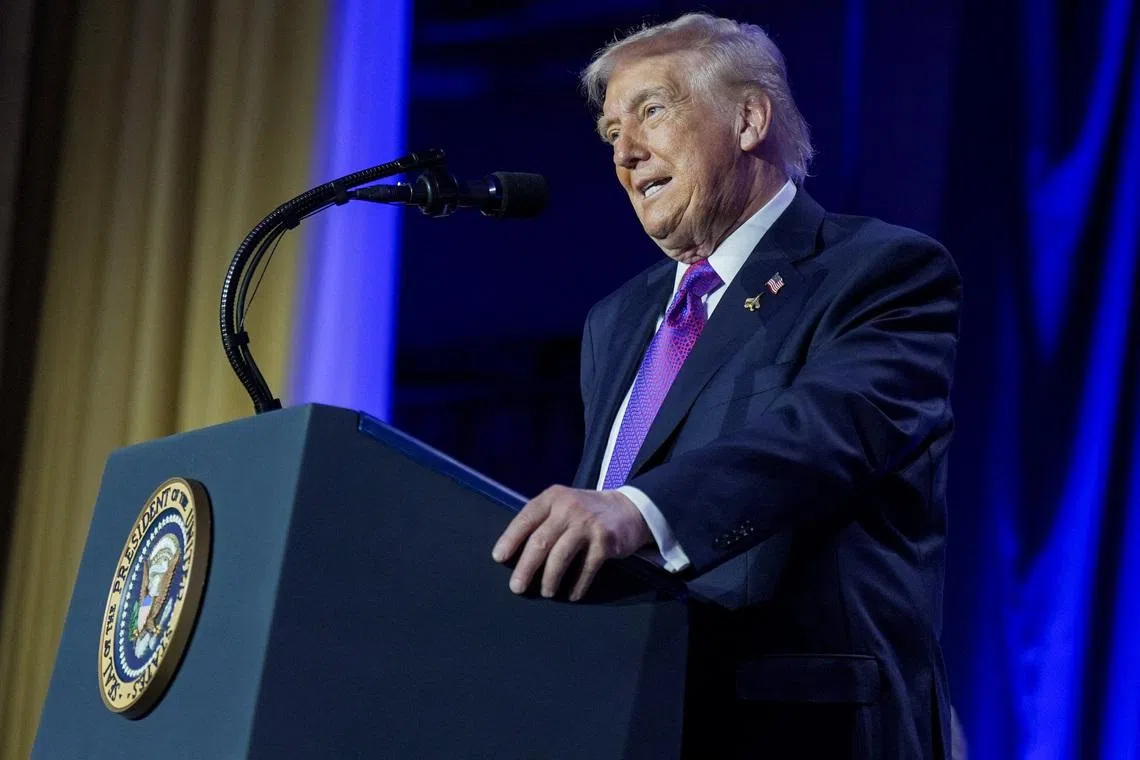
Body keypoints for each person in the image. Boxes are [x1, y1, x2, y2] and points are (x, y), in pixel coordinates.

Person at [492, 12, 960, 759]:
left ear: (748, 118)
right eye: (611, 132)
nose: (626, 153)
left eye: (651, 111)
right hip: (625, 714)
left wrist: (639, 512)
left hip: (801, 726)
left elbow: (828, 431)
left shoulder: (879, 270)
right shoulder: (617, 319)